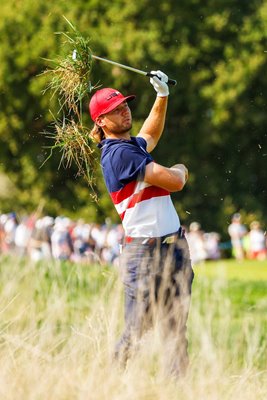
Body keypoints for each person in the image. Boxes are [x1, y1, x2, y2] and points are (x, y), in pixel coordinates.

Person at [88, 71, 194, 377]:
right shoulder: (118, 154)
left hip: (173, 248)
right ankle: (107, 386)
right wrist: (182, 170)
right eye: (115, 110)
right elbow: (174, 181)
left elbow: (151, 134)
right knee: (136, 332)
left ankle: (179, 391)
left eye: (125, 105)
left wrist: (162, 96)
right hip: (145, 256)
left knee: (176, 332)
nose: (124, 111)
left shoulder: (130, 146)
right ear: (101, 122)